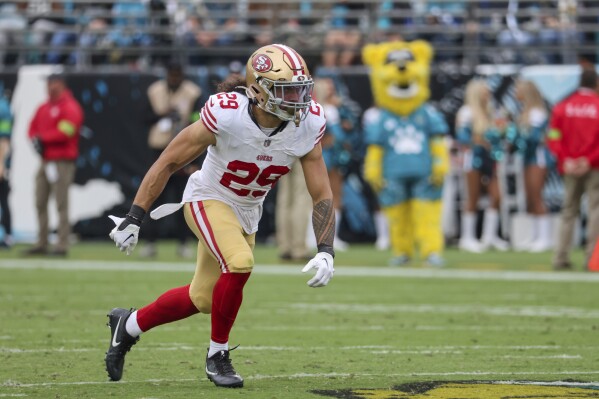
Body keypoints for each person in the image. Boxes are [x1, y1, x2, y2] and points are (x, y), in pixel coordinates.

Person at [105, 44, 336, 389]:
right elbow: (168, 160)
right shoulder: (227, 114)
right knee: (240, 263)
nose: (299, 99)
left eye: (301, 89)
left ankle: (130, 325)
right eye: (287, 90)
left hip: (247, 210)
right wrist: (135, 215)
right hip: (208, 198)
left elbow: (321, 192)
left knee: (202, 298)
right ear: (259, 90)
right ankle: (218, 355)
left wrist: (325, 249)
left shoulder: (308, 123)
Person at [141, 61, 202, 258]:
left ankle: (183, 243)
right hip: (159, 150)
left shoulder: (192, 92)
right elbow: (143, 117)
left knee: (182, 200)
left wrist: (194, 161)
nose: (174, 79)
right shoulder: (155, 91)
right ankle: (150, 242)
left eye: (178, 76)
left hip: (183, 150)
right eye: (172, 75)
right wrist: (163, 115)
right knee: (153, 196)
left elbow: (198, 119)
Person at [24, 74, 84, 256]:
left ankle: (61, 244)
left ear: (62, 84)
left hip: (62, 161)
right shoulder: (43, 107)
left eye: (53, 82)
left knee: (61, 203)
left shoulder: (70, 106)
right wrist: (36, 140)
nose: (49, 86)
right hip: (46, 161)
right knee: (40, 201)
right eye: (48, 83)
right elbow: (31, 127)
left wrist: (43, 139)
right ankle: (42, 241)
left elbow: (67, 131)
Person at [547, 68, 599, 271]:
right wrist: (588, 160)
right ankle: (592, 260)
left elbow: (553, 137)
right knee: (595, 211)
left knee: (568, 212)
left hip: (568, 167)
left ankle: (560, 257)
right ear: (596, 83)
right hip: (594, 166)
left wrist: (566, 158)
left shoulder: (562, 106)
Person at [456, 79, 510, 253]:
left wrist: (502, 130)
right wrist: (479, 141)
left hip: (490, 159)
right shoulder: (466, 112)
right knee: (473, 197)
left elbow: (498, 137)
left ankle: (489, 236)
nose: (488, 94)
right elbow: (463, 137)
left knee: (496, 195)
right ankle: (467, 237)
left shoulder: (492, 111)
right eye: (484, 91)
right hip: (472, 159)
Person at [512, 80, 553, 252]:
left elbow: (534, 138)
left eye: (518, 90)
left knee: (537, 196)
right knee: (530, 196)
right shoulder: (525, 112)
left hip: (538, 157)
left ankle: (545, 238)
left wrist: (518, 141)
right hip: (528, 158)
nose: (515, 93)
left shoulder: (536, 113)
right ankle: (535, 236)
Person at [275, 158, 312, 261]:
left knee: (284, 198)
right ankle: (299, 248)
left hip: (281, 148)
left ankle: (285, 247)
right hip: (300, 147)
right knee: (301, 196)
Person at [0, 88, 12, 248]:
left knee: (3, 199)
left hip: (1, 161)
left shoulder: (2, 108)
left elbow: (4, 139)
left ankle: (7, 235)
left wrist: (1, 164)